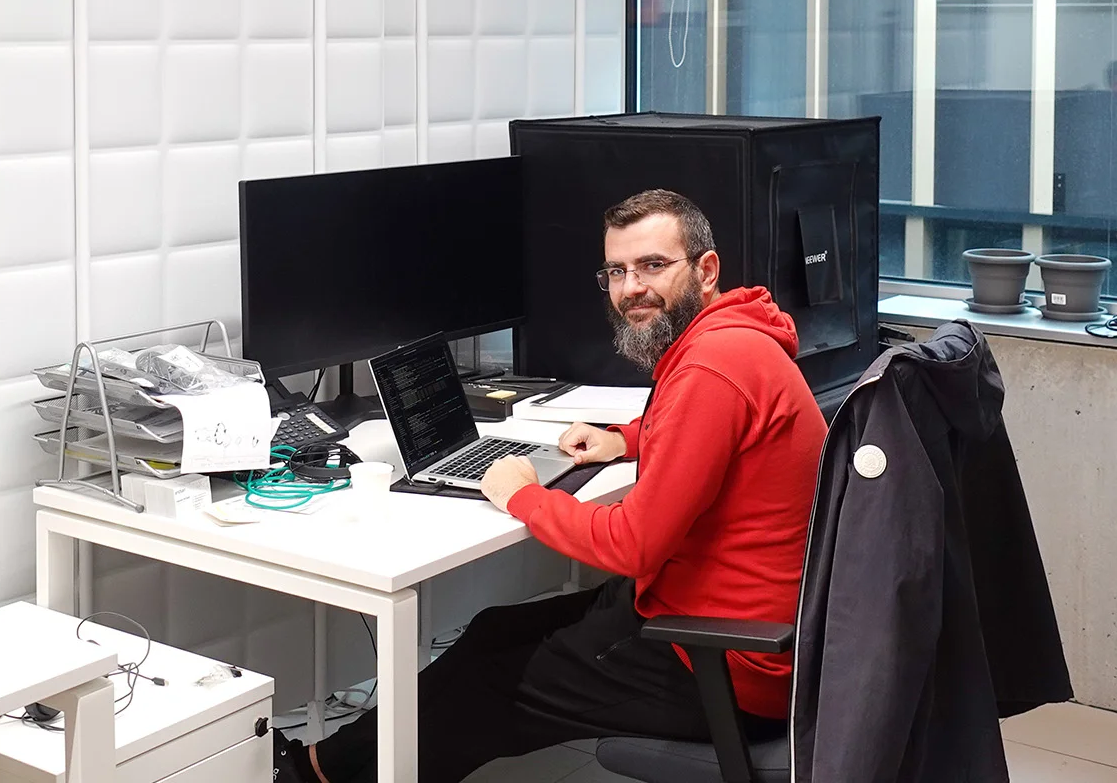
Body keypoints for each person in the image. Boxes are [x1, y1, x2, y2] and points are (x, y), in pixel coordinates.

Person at [272, 189, 828, 783]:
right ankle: (319, 766)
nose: (631, 288)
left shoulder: (710, 368)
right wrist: (625, 439)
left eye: (652, 265)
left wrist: (524, 496)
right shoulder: (734, 340)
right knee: (491, 634)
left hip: (731, 661)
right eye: (617, 271)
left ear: (706, 270)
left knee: (484, 691)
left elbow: (633, 544)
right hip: (725, 616)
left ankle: (322, 774)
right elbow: (715, 433)